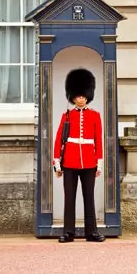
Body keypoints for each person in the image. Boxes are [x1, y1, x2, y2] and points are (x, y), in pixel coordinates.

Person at [53, 68, 105, 243]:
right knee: (70, 198)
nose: (81, 98)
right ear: (73, 97)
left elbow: (98, 140)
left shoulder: (95, 116)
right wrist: (57, 164)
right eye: (78, 96)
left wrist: (99, 164)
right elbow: (59, 140)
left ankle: (92, 232)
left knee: (89, 197)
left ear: (88, 96)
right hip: (70, 161)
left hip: (89, 162)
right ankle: (69, 232)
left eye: (83, 95)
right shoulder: (66, 116)